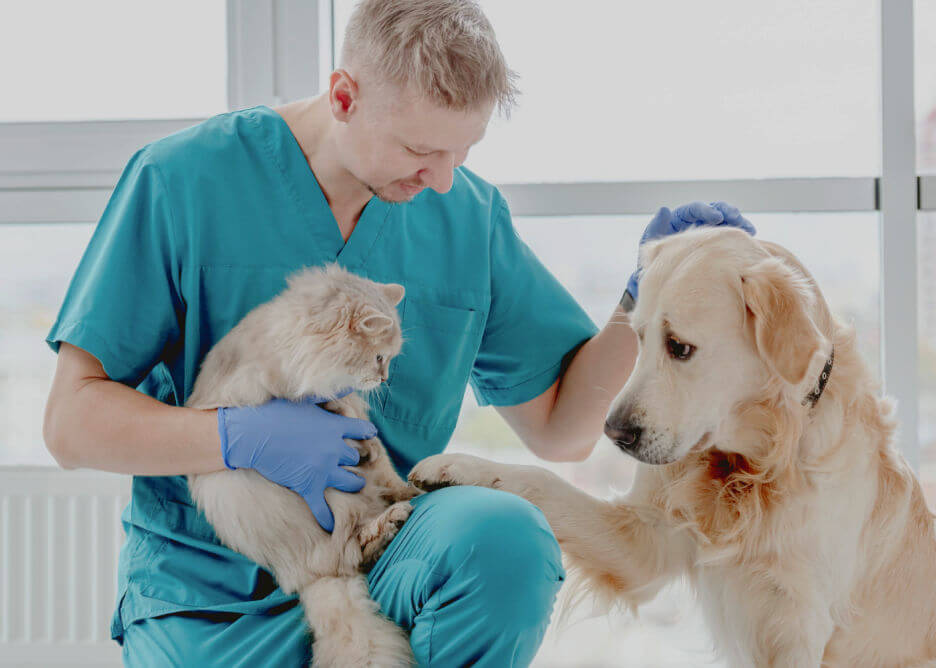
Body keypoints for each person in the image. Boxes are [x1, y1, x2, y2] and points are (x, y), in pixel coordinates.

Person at [41, 0, 753, 665]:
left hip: (385, 561)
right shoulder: (183, 182)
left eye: (462, 151)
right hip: (203, 604)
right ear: (344, 96)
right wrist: (236, 436)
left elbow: (562, 428)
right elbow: (72, 423)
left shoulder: (466, 217)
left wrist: (643, 296)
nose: (441, 180)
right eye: (420, 150)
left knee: (505, 539)